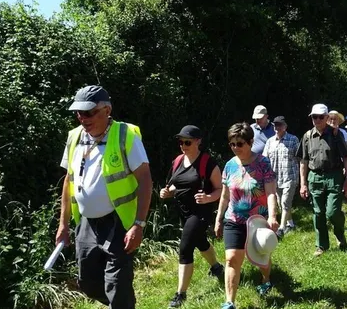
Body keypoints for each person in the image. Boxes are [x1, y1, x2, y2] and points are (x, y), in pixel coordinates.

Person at [57, 85, 152, 309]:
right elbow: (68, 182)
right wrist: (63, 223)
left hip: (118, 223)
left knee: (117, 285)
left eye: (89, 112)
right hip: (86, 224)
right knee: (87, 283)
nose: (82, 118)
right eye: (78, 113)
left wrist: (138, 224)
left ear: (107, 110)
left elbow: (145, 180)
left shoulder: (124, 135)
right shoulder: (74, 138)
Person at [215, 122, 279, 309]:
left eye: (240, 144)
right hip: (233, 219)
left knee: (260, 256)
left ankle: (266, 278)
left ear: (250, 142)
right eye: (232, 144)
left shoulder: (263, 163)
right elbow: (225, 195)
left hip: (257, 221)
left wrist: (272, 216)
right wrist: (219, 218)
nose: (236, 148)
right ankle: (229, 302)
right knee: (231, 259)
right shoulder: (229, 165)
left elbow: (271, 193)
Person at [159, 125, 224, 308]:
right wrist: (168, 193)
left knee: (185, 248)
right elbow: (176, 185)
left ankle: (181, 294)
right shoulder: (178, 161)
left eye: (187, 142)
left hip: (200, 213)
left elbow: (220, 189)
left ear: (198, 142)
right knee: (200, 241)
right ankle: (217, 267)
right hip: (184, 212)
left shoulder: (208, 163)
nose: (183, 145)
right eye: (181, 142)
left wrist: (208, 198)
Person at [297, 104, 347, 257]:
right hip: (314, 177)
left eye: (321, 117)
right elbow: (304, 161)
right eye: (315, 117)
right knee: (318, 212)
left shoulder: (335, 135)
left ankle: (340, 234)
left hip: (334, 176)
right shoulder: (307, 136)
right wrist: (303, 184)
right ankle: (321, 246)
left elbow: (346, 158)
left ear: (327, 118)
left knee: (332, 212)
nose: (318, 120)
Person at [262, 116, 300, 237]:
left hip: (290, 176)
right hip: (275, 178)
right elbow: (264, 159)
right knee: (279, 202)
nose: (277, 127)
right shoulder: (270, 142)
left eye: (279, 125)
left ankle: (281, 229)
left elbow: (300, 158)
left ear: (285, 126)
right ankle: (291, 224)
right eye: (275, 125)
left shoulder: (293, 139)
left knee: (285, 202)